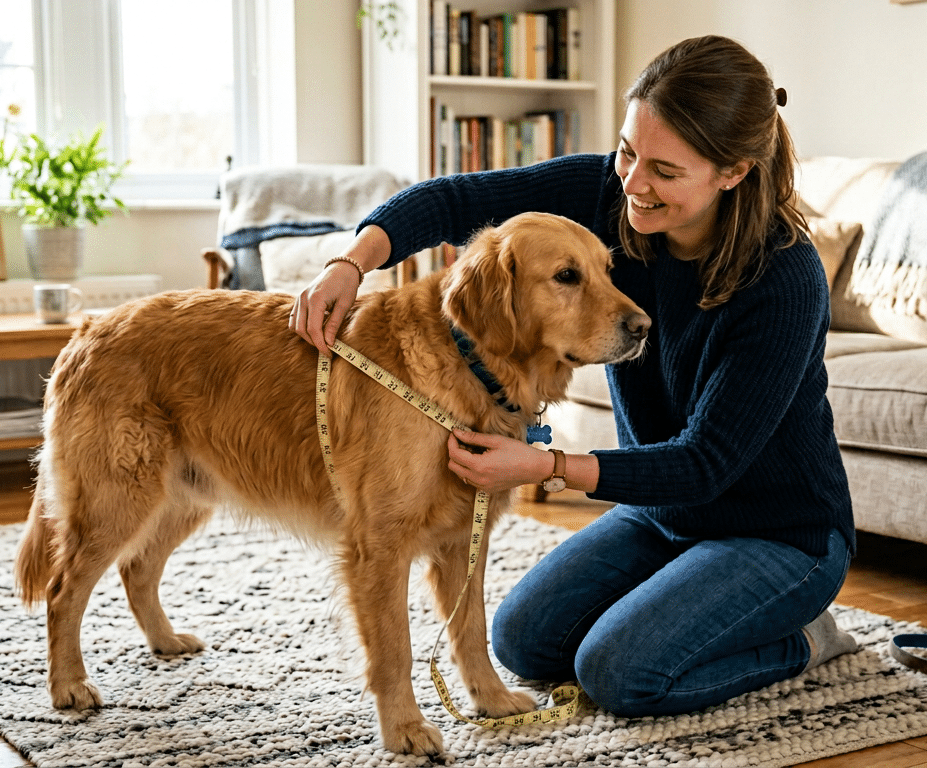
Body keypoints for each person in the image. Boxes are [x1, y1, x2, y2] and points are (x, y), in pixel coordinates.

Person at [290, 35, 857, 718]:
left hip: (778, 534)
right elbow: (450, 200)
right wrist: (349, 264)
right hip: (663, 517)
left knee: (620, 673)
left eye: (665, 171)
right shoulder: (610, 191)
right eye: (627, 151)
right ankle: (691, 601)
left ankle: (802, 637)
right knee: (525, 642)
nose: (633, 184)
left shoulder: (785, 278)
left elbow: (708, 463)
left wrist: (543, 464)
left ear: (731, 172)